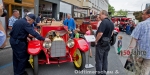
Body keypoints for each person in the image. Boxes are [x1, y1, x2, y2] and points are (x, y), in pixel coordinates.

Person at [128, 8, 150, 75]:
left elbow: (134, 40)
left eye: (143, 14)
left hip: (139, 53)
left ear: (148, 15)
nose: (142, 16)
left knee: (137, 71)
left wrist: (129, 52)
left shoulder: (141, 24)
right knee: (145, 72)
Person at [95, 10, 114, 75]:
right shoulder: (111, 22)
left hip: (101, 44)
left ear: (103, 14)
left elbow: (100, 33)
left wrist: (96, 41)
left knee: (99, 60)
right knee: (105, 59)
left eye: (100, 15)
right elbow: (111, 33)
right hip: (107, 43)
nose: (99, 16)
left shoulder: (103, 22)